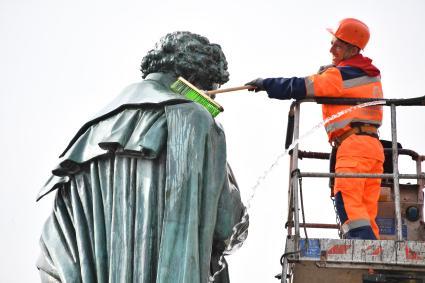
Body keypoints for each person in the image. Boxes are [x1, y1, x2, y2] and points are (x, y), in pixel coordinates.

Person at [36, 31, 247, 282]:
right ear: (191, 81)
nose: (210, 99)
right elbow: (226, 226)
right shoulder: (194, 120)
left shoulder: (85, 140)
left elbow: (52, 253)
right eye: (212, 92)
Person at [246, 18, 384, 240]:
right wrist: (332, 70)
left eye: (337, 45)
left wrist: (266, 84)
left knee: (348, 204)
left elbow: (301, 86)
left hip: (354, 147)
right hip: (373, 149)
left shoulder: (341, 76)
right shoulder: (369, 74)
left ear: (352, 49)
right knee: (366, 211)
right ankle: (373, 264)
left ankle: (362, 255)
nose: (331, 49)